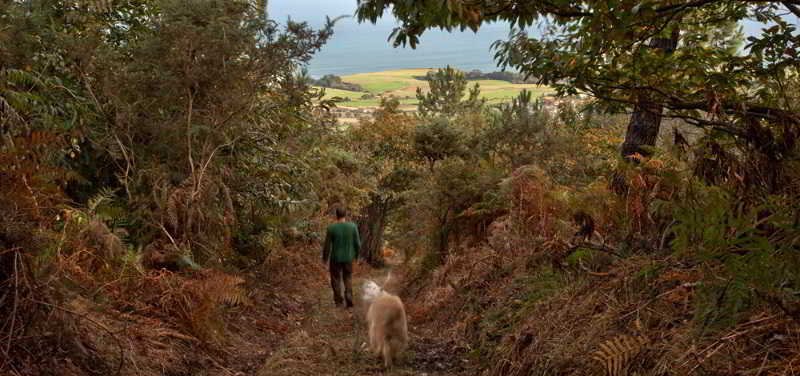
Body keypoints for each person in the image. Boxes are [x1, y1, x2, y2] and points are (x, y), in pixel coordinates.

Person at [322, 207, 361, 308]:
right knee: (347, 277)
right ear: (346, 215)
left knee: (335, 279)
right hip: (348, 258)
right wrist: (356, 256)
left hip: (335, 258)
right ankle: (349, 297)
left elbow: (327, 246)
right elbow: (358, 244)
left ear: (336, 215)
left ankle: (339, 302)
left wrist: (325, 259)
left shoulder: (331, 228)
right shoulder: (353, 227)